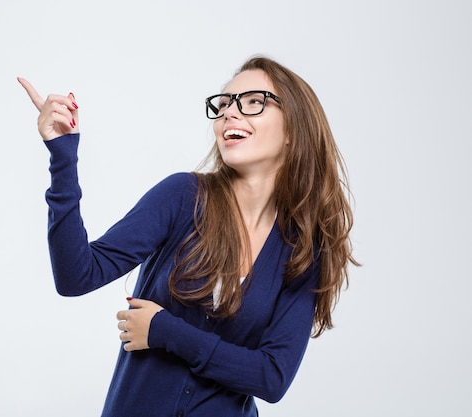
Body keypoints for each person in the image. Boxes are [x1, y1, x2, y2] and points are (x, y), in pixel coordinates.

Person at [18, 55, 358, 417]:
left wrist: (165, 330)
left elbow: (272, 377)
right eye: (224, 103)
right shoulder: (184, 197)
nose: (229, 112)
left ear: (293, 128)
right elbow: (76, 276)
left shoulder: (303, 248)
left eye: (254, 102)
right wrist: (63, 157)